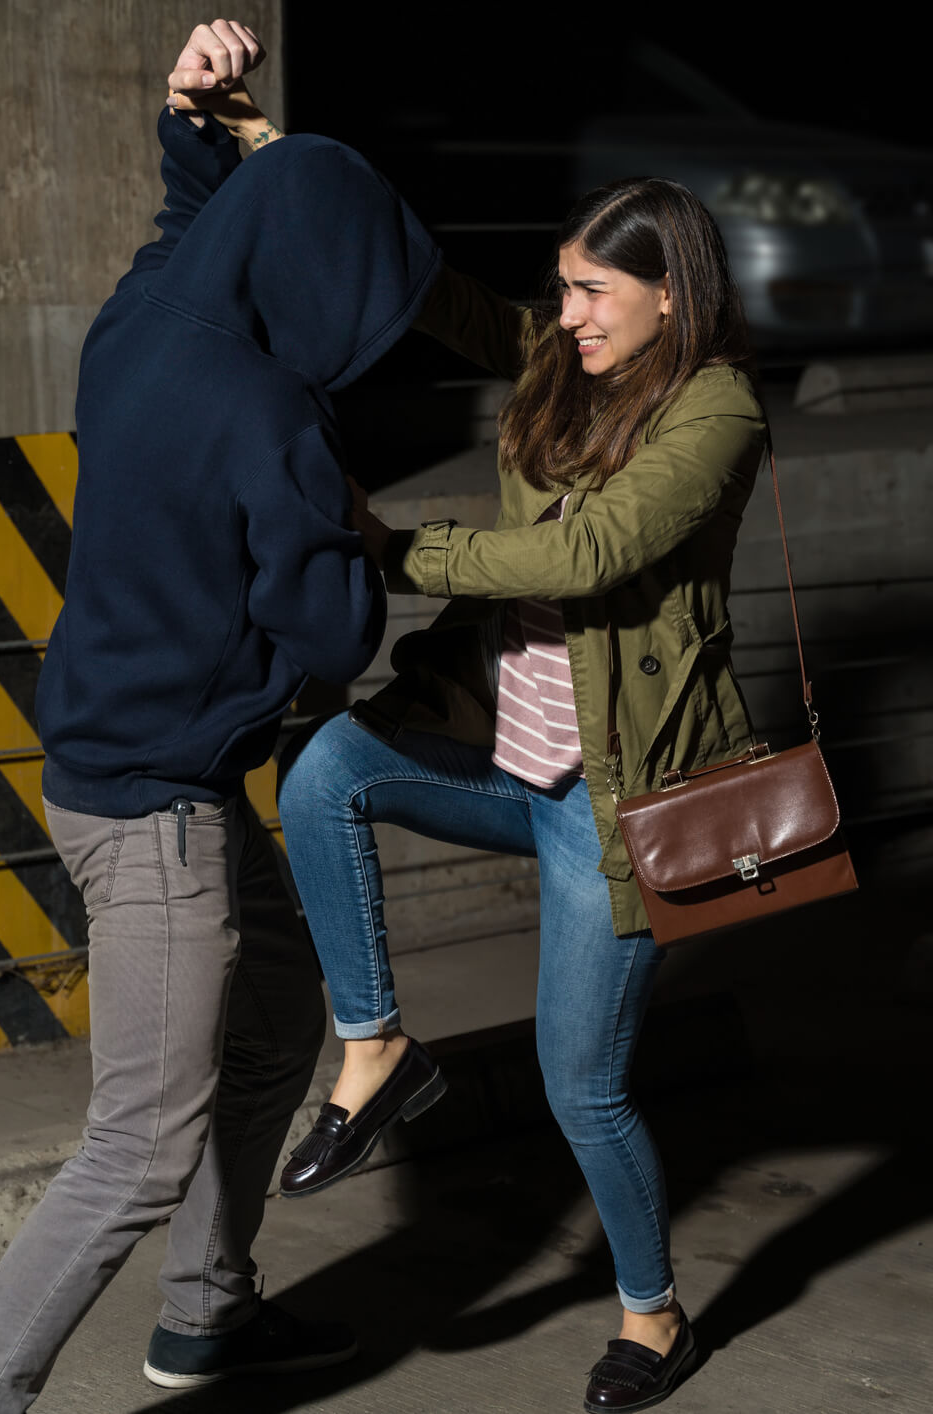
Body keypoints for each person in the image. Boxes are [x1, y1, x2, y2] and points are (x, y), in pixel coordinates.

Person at [0, 21, 443, 1412]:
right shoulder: (274, 414)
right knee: (138, 1150)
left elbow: (187, 228)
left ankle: (208, 1313)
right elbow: (332, 637)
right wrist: (353, 529)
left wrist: (192, 115)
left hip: (139, 773)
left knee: (275, 1028)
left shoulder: (140, 318)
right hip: (156, 814)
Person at [268, 142, 768, 1410]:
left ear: (671, 293)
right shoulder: (563, 356)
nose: (570, 314)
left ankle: (653, 1316)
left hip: (612, 803)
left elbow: (588, 552)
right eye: (562, 286)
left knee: (582, 1091)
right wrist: (283, 157)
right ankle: (376, 1048)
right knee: (325, 771)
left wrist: (395, 548)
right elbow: (437, 291)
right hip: (505, 760)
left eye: (596, 290)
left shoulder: (715, 409)